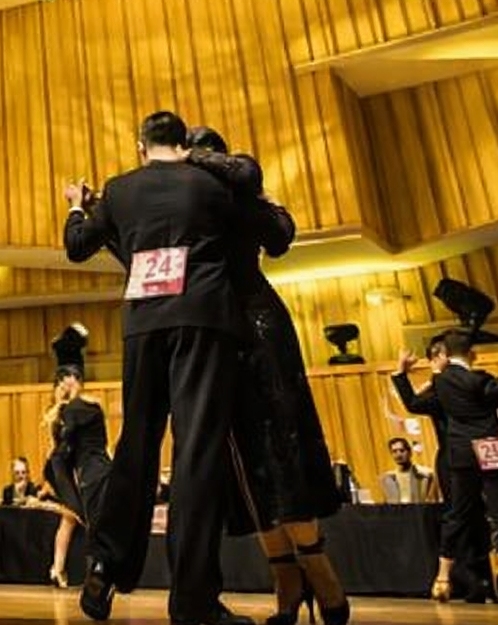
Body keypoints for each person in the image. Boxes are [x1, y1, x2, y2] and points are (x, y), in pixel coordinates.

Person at [63, 111, 251, 625]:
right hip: (203, 317)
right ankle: (193, 600)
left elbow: (77, 247)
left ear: (140, 146)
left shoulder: (119, 189)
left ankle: (105, 563)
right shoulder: (210, 183)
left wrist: (78, 207)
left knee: (136, 444)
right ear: (184, 143)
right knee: (196, 453)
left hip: (144, 322)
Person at [186, 126, 348, 625]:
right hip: (214, 329)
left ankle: (316, 565)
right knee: (241, 454)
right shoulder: (192, 203)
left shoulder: (237, 195)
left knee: (283, 437)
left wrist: (209, 166)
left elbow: (278, 238)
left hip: (259, 324)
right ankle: (285, 575)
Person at [393, 330, 498, 602]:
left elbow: (414, 403)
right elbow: (415, 403)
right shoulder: (472, 380)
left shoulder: (442, 382)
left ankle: (458, 579)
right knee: (471, 516)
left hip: (459, 454)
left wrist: (404, 374)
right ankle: (474, 583)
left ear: (444, 356)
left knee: (465, 515)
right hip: (466, 454)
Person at [42, 362, 111, 589]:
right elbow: (60, 448)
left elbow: (63, 446)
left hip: (82, 469)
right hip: (78, 470)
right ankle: (87, 572)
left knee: (72, 518)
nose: (65, 384)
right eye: (62, 382)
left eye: (67, 380)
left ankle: (59, 568)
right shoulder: (67, 411)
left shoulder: (77, 408)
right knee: (78, 517)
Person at [380, 437, 436, 504]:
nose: (398, 454)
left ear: (410, 452)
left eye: (402, 450)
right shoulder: (388, 478)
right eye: (394, 451)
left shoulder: (425, 474)